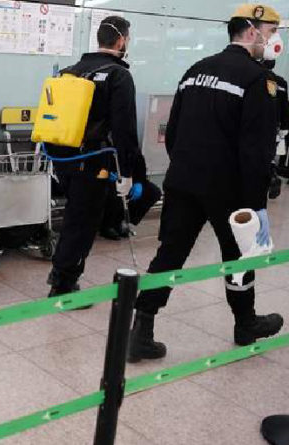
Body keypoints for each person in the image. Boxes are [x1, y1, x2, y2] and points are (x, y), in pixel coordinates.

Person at [128, 4, 284, 363]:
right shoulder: (258, 80)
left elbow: (172, 133)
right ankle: (245, 324)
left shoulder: (195, 71)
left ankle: (141, 328)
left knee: (170, 253)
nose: (274, 39)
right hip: (227, 189)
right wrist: (255, 205)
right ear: (251, 30)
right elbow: (256, 151)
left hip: (183, 180)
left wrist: (185, 167)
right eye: (271, 30)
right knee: (239, 258)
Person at [46, 16, 140, 298]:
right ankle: (63, 286)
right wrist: (128, 170)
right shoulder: (118, 75)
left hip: (63, 158)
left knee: (75, 217)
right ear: (122, 40)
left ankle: (61, 273)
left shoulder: (70, 70)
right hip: (93, 158)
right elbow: (124, 129)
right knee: (82, 223)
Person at [99, 153, 162, 240]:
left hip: (129, 179)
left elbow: (139, 161)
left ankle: (121, 220)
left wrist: (139, 181)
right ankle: (107, 224)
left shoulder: (130, 144)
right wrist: (106, 173)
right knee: (114, 194)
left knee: (153, 192)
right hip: (106, 179)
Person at [263, 57, 289, 199]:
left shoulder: (263, 79)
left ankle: (271, 177)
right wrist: (285, 126)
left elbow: (269, 101)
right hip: (276, 123)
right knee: (270, 154)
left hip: (262, 122)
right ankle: (272, 175)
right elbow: (284, 105)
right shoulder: (281, 81)